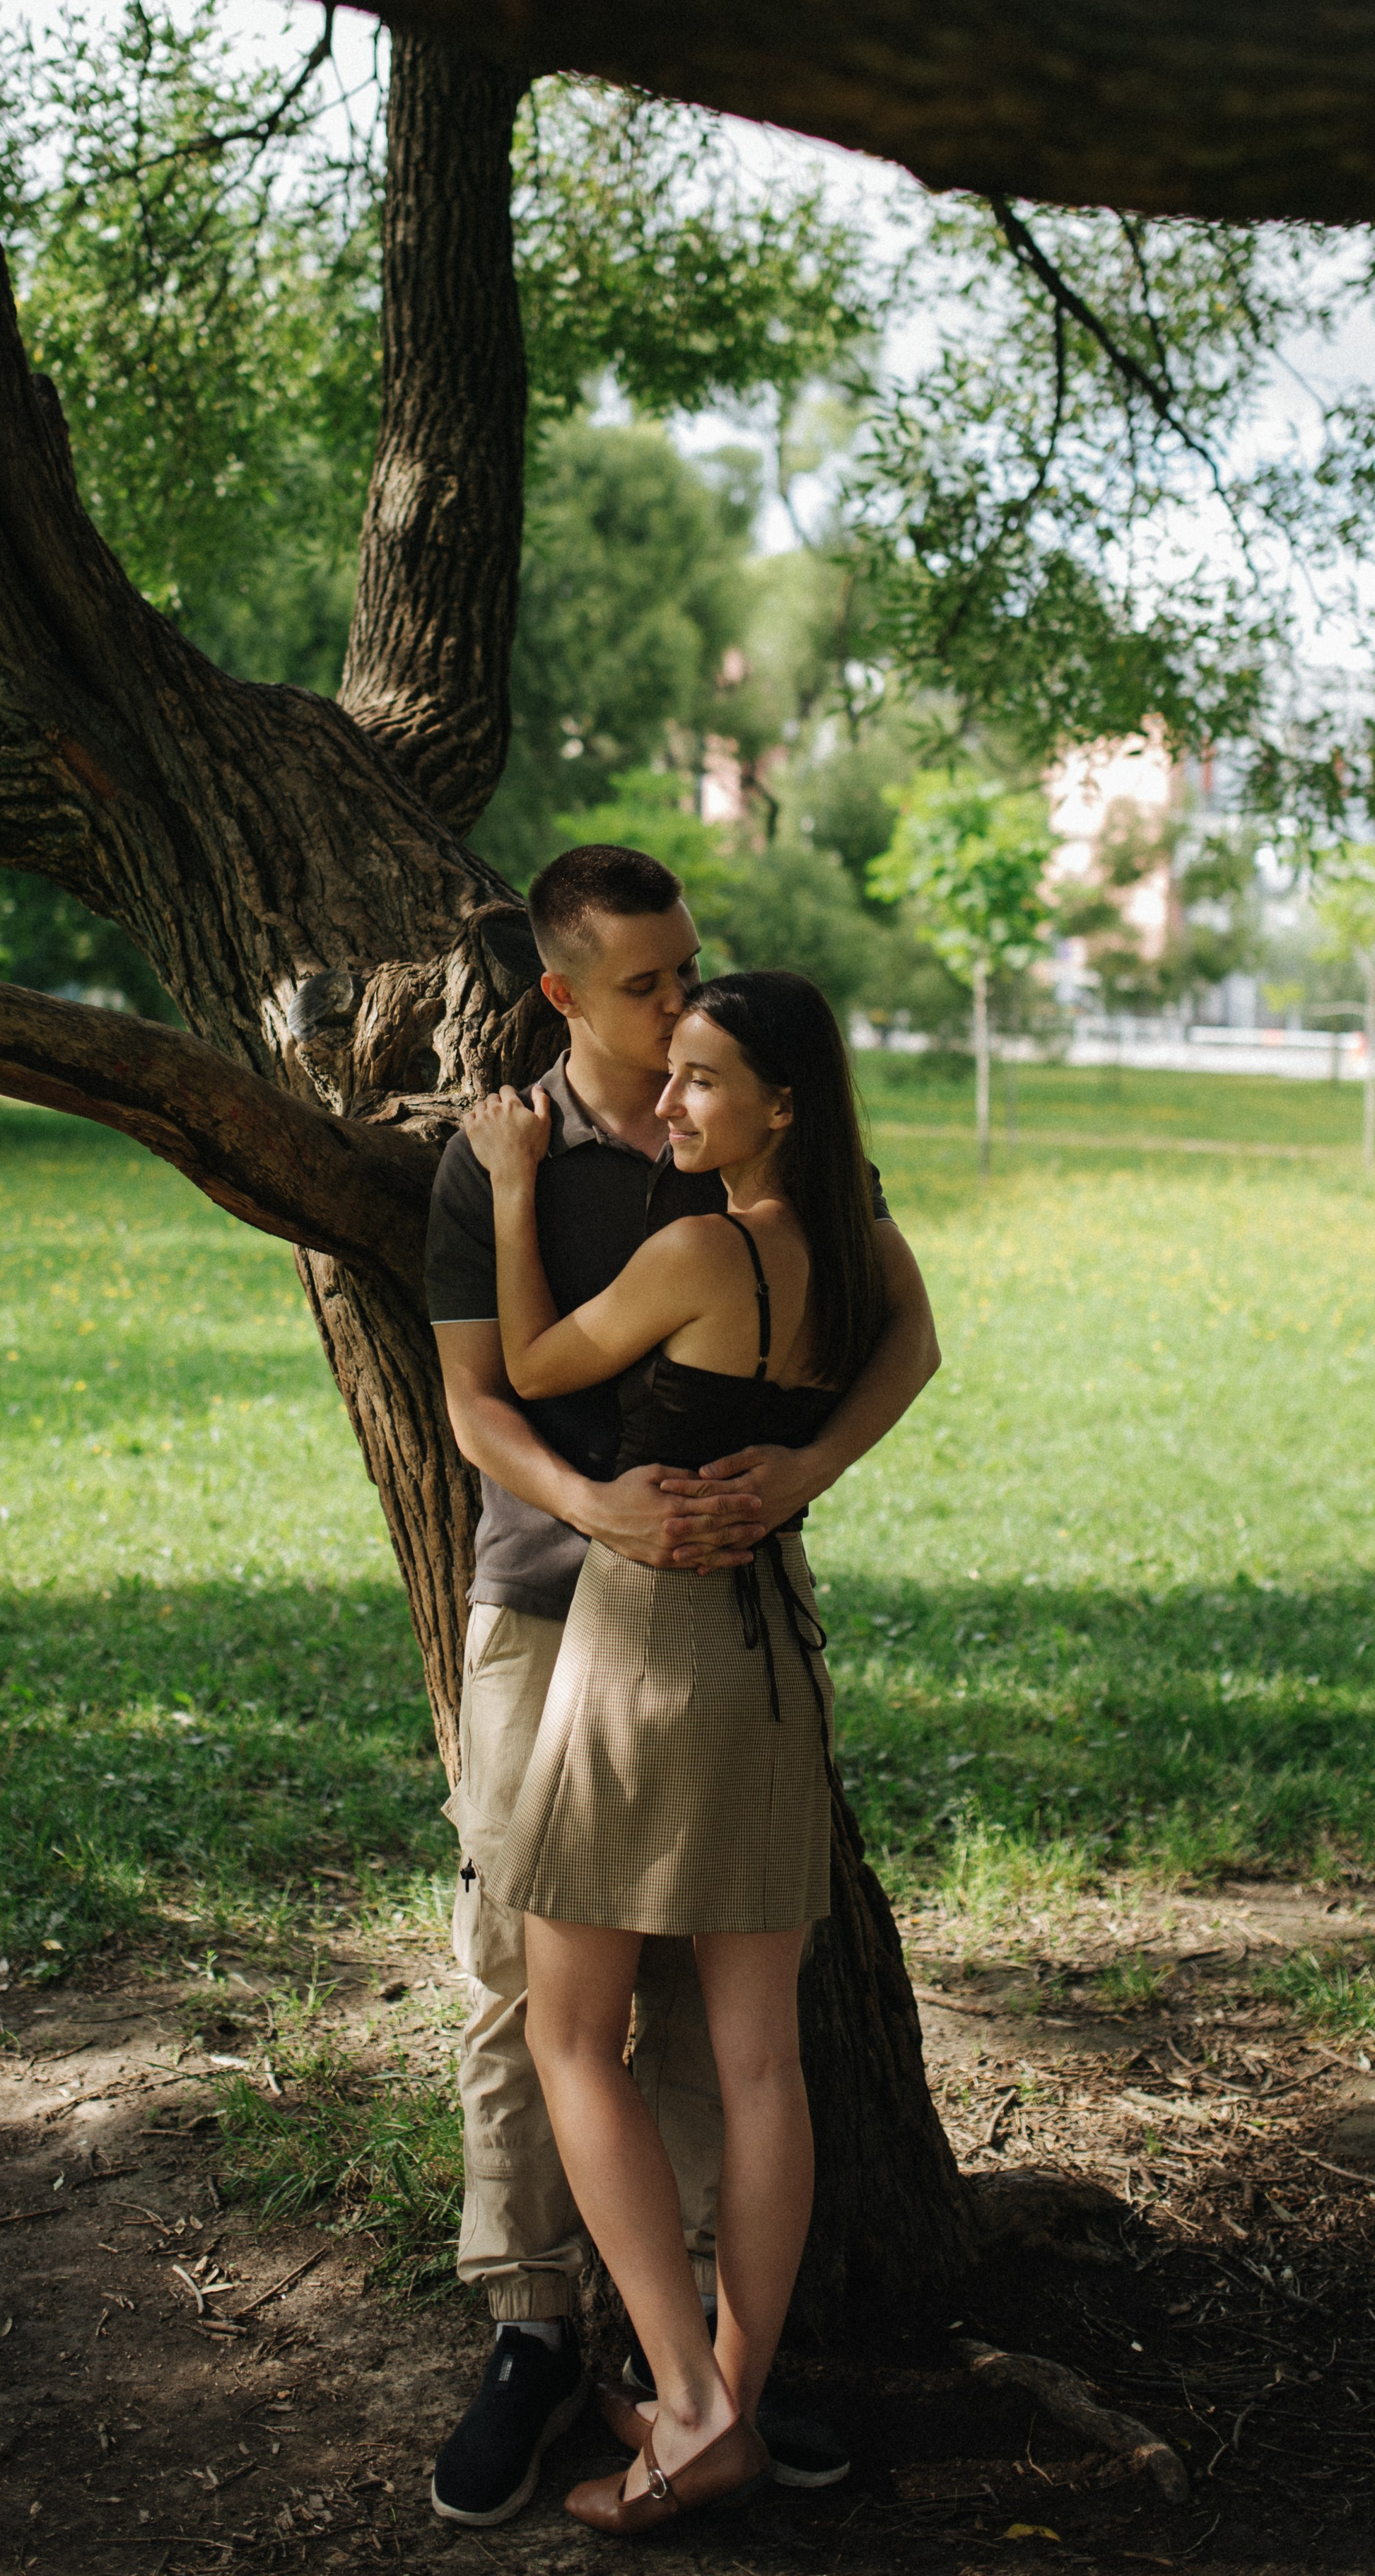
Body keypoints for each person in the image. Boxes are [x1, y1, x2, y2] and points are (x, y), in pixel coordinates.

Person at [423, 846, 940, 2527]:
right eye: (644, 985)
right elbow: (479, 1401)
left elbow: (903, 1340)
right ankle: (530, 2324)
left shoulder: (743, 1120)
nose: (673, 1007)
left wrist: (793, 1476)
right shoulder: (506, 1153)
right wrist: (597, 1504)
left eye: (687, 973)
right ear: (562, 993)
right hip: (542, 1604)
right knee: (529, 1986)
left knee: (697, 2037)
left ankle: (701, 2372)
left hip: (713, 1614)